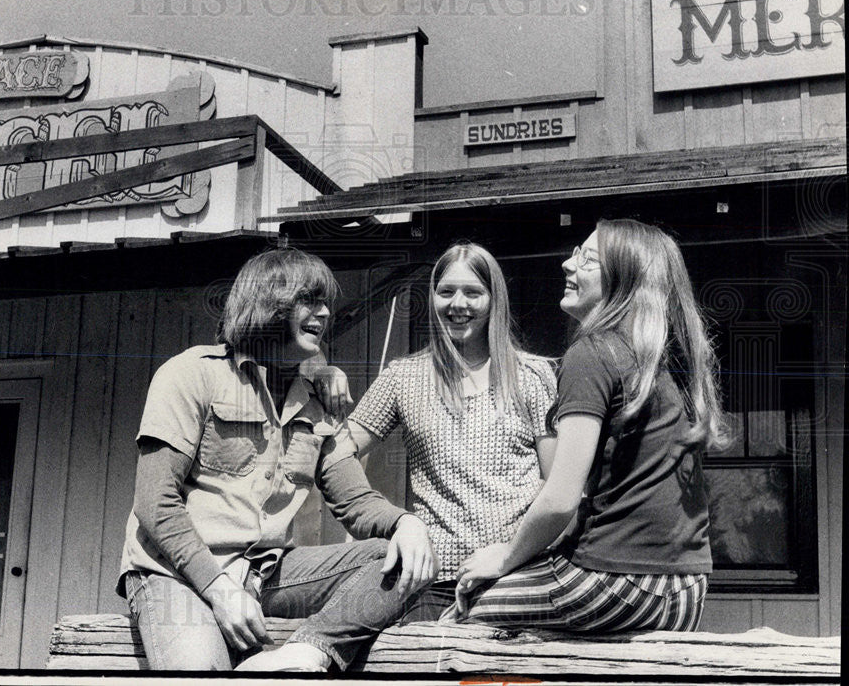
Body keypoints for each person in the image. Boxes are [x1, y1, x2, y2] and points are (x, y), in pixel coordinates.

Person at [116, 247, 437, 672]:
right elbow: (155, 504)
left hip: (264, 575)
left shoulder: (316, 401)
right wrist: (218, 588)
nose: (323, 314)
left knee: (395, 558)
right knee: (200, 673)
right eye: (310, 300)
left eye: (326, 304)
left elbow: (356, 501)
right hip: (175, 574)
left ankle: (307, 652)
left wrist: (406, 523)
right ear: (270, 302)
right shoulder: (193, 373)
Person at [442, 219, 727, 632]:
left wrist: (504, 556)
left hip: (614, 583)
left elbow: (561, 499)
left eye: (586, 259)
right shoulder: (666, 360)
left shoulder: (593, 352)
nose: (566, 265)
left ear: (623, 281)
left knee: (465, 611)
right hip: (687, 591)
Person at [323, 242, 558, 622]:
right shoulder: (405, 377)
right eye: (446, 291)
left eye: (473, 292)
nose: (458, 303)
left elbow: (557, 483)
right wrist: (318, 371)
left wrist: (513, 552)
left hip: (517, 574)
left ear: (494, 299)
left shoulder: (532, 376)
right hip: (432, 581)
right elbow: (336, 452)